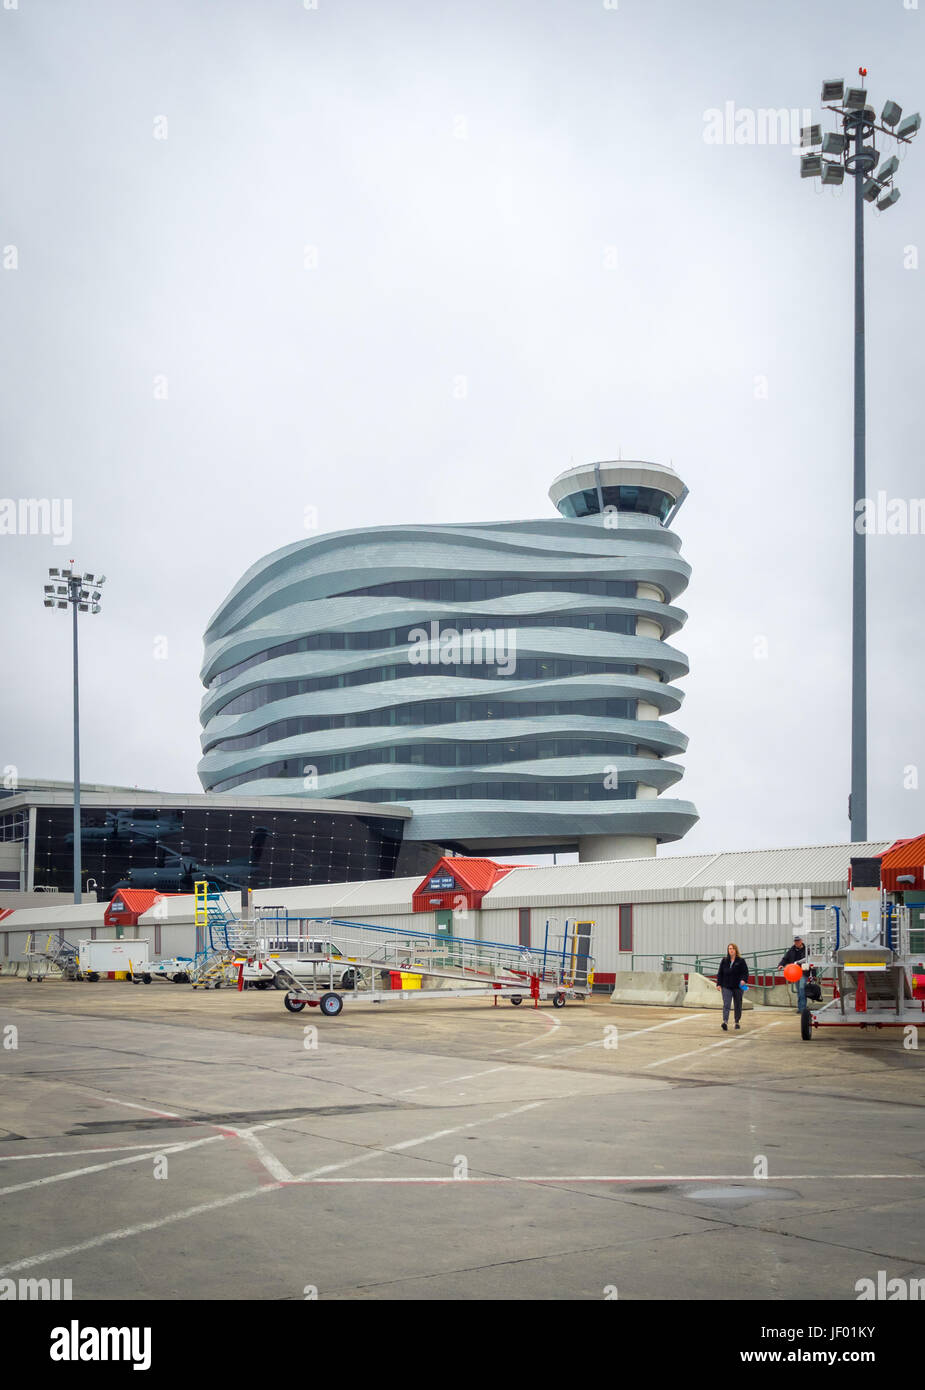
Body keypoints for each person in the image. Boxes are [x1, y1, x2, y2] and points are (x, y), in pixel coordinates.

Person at [715, 942, 749, 1031]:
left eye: (732, 949)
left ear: (735, 950)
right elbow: (720, 973)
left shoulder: (741, 961)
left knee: (738, 1004)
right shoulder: (724, 961)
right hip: (726, 986)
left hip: (738, 986)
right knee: (726, 1004)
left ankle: (737, 1022)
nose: (731, 950)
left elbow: (745, 973)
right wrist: (718, 984)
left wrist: (743, 980)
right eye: (729, 949)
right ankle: (725, 1022)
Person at [778, 929, 812, 1012]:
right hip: (795, 973)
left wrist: (813, 974)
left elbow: (810, 960)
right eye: (795, 941)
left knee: (801, 989)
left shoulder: (807, 949)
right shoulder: (791, 950)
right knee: (799, 991)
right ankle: (801, 1007)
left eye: (798, 941)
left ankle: (802, 1009)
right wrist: (781, 965)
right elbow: (785, 958)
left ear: (801, 941)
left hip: (804, 972)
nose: (796, 942)